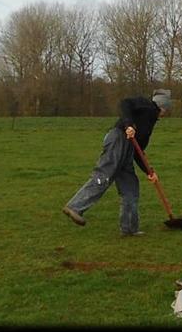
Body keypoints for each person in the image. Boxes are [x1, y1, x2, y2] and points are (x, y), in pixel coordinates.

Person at [62, 89, 172, 236]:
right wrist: (129, 125)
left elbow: (139, 152)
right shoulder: (146, 105)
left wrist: (149, 171)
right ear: (162, 106)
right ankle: (75, 207)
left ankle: (129, 229)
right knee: (104, 175)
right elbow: (125, 103)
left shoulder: (150, 122)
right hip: (118, 139)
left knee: (131, 188)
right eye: (167, 108)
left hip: (128, 150)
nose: (166, 112)